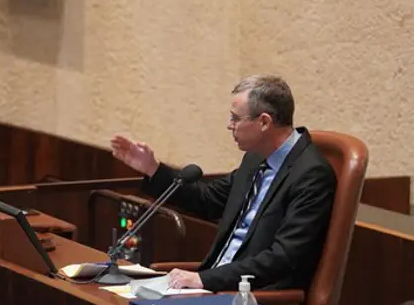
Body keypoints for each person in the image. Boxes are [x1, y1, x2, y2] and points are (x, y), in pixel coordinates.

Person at [110, 75, 336, 292]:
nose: (230, 125)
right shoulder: (256, 158)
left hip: (256, 295)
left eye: (236, 118)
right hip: (217, 286)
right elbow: (208, 200)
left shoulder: (311, 175)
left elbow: (283, 257)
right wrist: (152, 168)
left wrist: (204, 280)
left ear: (264, 122)